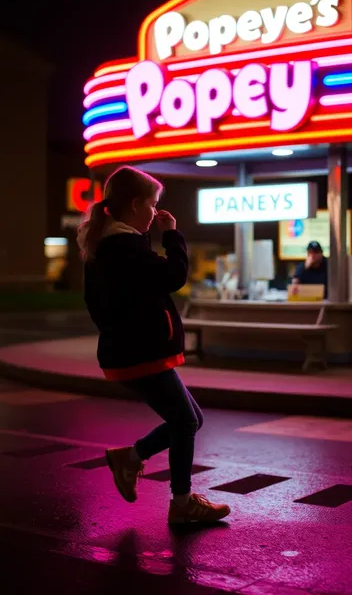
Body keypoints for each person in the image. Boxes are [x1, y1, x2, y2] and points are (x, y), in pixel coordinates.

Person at [77, 166, 230, 524]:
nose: (156, 212)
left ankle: (130, 458)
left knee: (190, 418)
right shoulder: (122, 246)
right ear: (134, 204)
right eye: (153, 204)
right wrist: (172, 235)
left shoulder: (114, 242)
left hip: (132, 349)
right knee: (185, 421)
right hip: (139, 351)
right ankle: (181, 503)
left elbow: (98, 301)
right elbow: (173, 276)